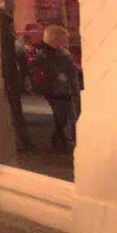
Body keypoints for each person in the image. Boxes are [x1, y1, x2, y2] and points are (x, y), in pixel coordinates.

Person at [0, 10, 34, 153]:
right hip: (12, 76)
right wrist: (24, 76)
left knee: (10, 109)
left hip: (5, 76)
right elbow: (20, 58)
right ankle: (23, 139)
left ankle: (18, 140)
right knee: (15, 110)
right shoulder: (11, 36)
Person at [39, 25, 81, 153]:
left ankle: (61, 138)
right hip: (61, 91)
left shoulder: (48, 54)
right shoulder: (55, 54)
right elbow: (68, 70)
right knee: (66, 116)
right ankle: (62, 138)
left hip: (59, 91)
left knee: (63, 117)